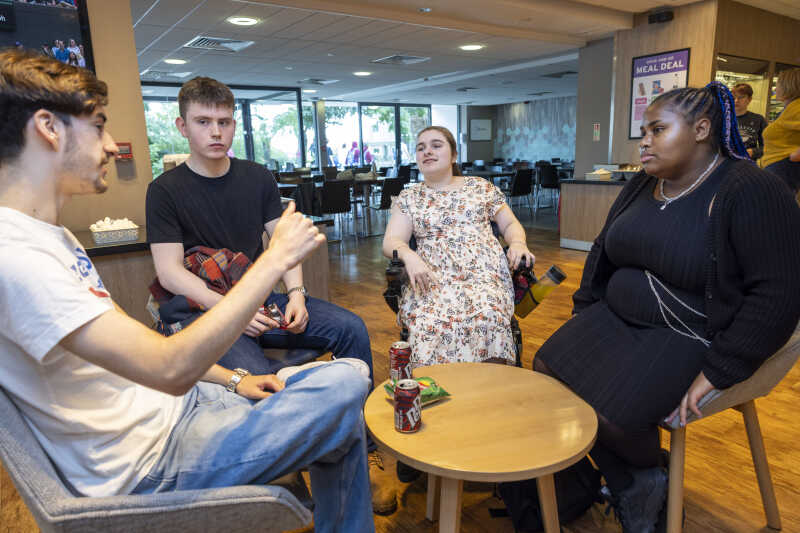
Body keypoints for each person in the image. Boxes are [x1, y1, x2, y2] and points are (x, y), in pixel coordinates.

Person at [0, 50, 375, 532]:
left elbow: (146, 356)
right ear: (49, 128)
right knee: (343, 388)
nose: (113, 145)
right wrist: (275, 259)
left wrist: (232, 380)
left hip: (176, 408)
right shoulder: (18, 258)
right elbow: (171, 367)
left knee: (348, 373)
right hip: (154, 459)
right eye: (98, 126)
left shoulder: (49, 238)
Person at [533, 82, 800, 533]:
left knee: (614, 415)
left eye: (658, 129)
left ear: (700, 129)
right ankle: (633, 479)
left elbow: (779, 295)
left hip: (691, 333)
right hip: (616, 317)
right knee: (546, 372)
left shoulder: (750, 188)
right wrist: (584, 309)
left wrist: (720, 371)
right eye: (644, 131)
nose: (645, 142)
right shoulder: (644, 183)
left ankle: (640, 475)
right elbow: (603, 249)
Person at [145, 76, 396, 514]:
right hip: (211, 311)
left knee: (352, 329)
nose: (216, 131)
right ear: (182, 126)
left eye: (224, 121)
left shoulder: (257, 177)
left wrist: (296, 293)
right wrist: (232, 311)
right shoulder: (164, 190)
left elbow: (281, 243)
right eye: (204, 122)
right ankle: (291, 469)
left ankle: (363, 449)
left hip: (264, 298)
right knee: (263, 382)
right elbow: (168, 272)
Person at [383, 126, 536, 369]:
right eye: (421, 148)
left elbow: (509, 224)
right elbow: (392, 240)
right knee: (427, 324)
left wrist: (517, 242)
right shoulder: (409, 197)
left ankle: (492, 388)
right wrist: (409, 256)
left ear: (453, 155)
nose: (427, 151)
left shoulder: (480, 187)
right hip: (432, 277)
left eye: (436, 145)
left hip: (484, 276)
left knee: (488, 317)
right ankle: (439, 393)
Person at [762, 68, 800, 193]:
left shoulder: (796, 108)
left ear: (788, 86)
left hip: (783, 168)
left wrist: (796, 155)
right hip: (779, 168)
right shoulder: (789, 108)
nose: (775, 88)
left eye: (777, 84)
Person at [732, 82, 767, 160]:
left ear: (749, 99)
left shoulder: (759, 119)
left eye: (741, 97)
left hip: (748, 165)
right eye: (733, 97)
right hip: (727, 164)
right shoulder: (723, 118)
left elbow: (768, 147)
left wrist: (753, 152)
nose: (736, 101)